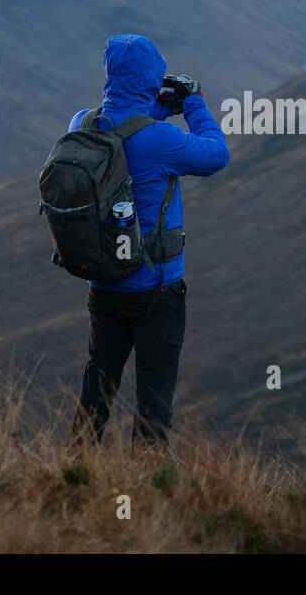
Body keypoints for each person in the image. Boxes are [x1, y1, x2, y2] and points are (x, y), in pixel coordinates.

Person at [69, 33, 229, 448]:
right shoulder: (160, 140)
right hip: (156, 290)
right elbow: (215, 154)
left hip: (102, 285)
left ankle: (73, 470)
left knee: (97, 387)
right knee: (154, 402)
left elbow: (124, 124)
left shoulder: (83, 125)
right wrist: (192, 102)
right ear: (153, 76)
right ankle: (147, 484)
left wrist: (158, 108)